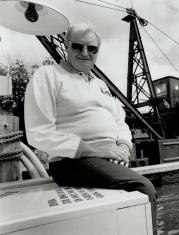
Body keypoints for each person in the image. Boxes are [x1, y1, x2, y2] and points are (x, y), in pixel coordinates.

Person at [24, 23, 157, 233]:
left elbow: (119, 120)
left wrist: (122, 144)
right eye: (78, 46)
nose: (85, 53)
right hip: (73, 161)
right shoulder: (47, 75)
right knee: (143, 187)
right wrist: (96, 150)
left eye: (92, 48)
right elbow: (38, 132)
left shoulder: (99, 84)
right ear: (66, 46)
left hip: (107, 158)